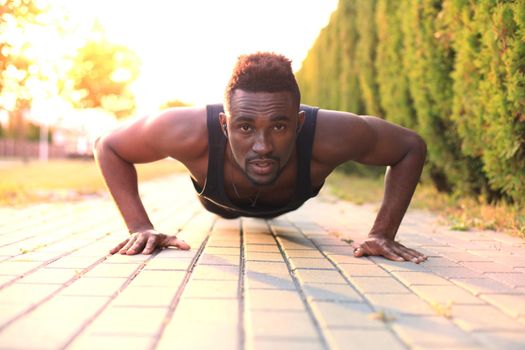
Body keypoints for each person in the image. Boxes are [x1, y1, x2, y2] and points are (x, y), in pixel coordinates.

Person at [94, 52, 428, 263]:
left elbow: (410, 146)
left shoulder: (331, 134)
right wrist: (139, 226)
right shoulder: (186, 131)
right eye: (245, 127)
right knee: (223, 212)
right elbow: (108, 145)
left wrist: (382, 233)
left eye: (279, 126)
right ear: (224, 125)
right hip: (218, 203)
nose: (263, 146)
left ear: (299, 123)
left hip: (287, 202)